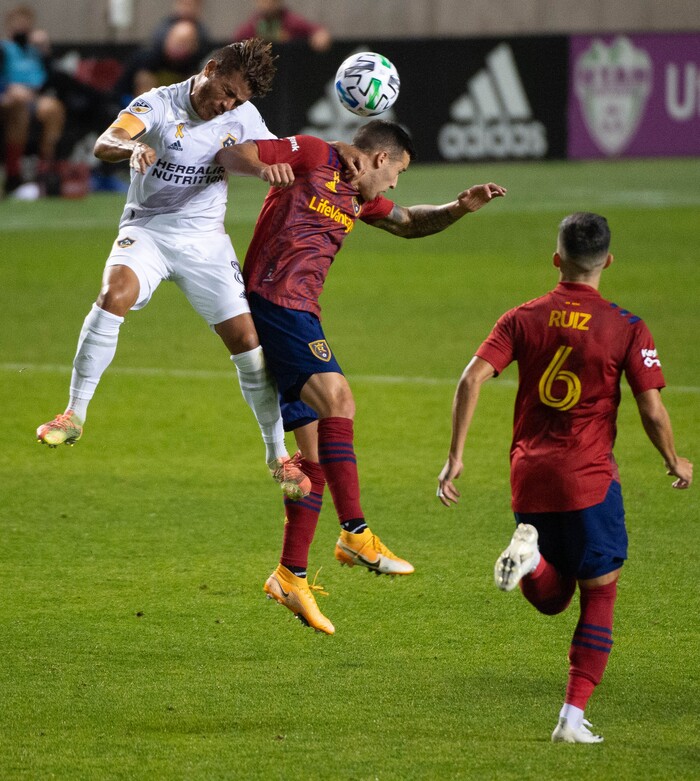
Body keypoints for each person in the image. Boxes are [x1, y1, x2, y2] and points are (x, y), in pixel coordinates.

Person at [219, 121, 506, 634]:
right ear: (380, 159)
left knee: (312, 460)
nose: (396, 184)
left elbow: (410, 222)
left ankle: (290, 575)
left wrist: (459, 208)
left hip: (300, 310)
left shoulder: (355, 195)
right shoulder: (311, 155)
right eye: (398, 171)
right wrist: (266, 166)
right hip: (276, 302)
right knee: (339, 399)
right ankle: (354, 532)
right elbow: (233, 152)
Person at [436, 212, 693, 742]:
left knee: (554, 597)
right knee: (599, 594)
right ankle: (570, 720)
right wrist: (673, 458)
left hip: (528, 476)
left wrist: (456, 455)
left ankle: (529, 564)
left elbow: (470, 378)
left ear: (557, 259)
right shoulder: (625, 324)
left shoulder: (522, 317)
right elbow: (650, 407)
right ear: (609, 261)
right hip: (588, 480)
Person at [35, 39, 312, 501]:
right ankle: (73, 413)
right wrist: (132, 148)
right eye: (225, 91)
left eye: (238, 100)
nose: (227, 105)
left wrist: (266, 168)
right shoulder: (158, 103)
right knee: (113, 295)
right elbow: (107, 141)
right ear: (209, 68)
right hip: (148, 231)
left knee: (248, 341)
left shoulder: (240, 115)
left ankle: (277, 454)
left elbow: (255, 150)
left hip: (205, 242)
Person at [0, 4, 65, 195]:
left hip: (35, 97)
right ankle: (13, 176)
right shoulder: (4, 49)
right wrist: (9, 89)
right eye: (17, 23)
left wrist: (46, 51)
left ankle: (45, 170)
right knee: (19, 108)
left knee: (53, 108)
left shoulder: (34, 51)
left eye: (25, 23)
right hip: (10, 98)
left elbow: (52, 78)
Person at [117, 19, 208, 101]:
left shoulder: (197, 63)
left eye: (185, 42)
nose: (179, 46)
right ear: (168, 38)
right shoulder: (147, 58)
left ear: (194, 46)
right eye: (177, 40)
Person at [232, 0, 331, 53]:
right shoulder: (251, 27)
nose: (268, 3)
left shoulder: (291, 21)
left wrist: (320, 35)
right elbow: (234, 46)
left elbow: (317, 31)